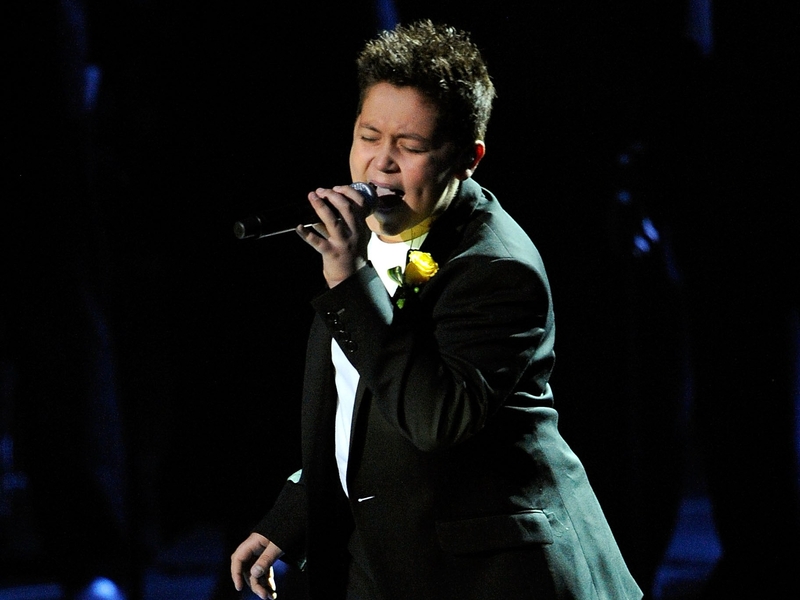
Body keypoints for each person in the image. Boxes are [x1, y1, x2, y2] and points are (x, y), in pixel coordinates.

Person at [230, 20, 642, 600]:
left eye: (412, 147)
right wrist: (296, 512)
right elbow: (359, 401)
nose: (381, 164)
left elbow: (434, 420)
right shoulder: (372, 238)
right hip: (385, 558)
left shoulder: (495, 269)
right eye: (369, 136)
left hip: (491, 574)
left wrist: (350, 283)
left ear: (468, 158)